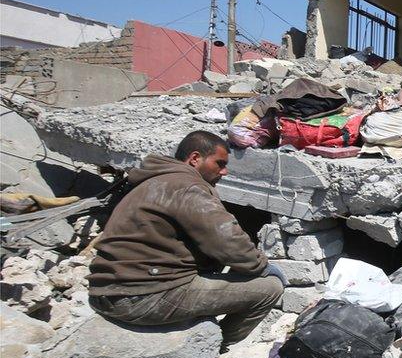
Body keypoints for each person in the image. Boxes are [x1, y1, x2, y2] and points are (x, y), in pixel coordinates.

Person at [88, 130, 285, 346]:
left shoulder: (154, 180)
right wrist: (262, 267)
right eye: (219, 163)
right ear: (195, 159)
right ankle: (215, 348)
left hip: (109, 291)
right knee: (270, 289)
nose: (225, 171)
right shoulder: (188, 187)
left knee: (218, 264)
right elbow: (227, 241)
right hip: (141, 296)